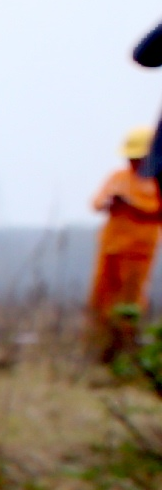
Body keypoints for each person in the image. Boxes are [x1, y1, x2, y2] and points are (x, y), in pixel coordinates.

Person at [89, 127, 159, 360]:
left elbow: (155, 210)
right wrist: (109, 202)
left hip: (138, 253)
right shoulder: (117, 177)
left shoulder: (157, 182)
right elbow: (96, 202)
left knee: (130, 301)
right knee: (101, 298)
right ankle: (99, 346)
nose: (133, 162)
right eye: (131, 157)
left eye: (138, 157)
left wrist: (132, 204)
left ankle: (127, 349)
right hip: (110, 249)